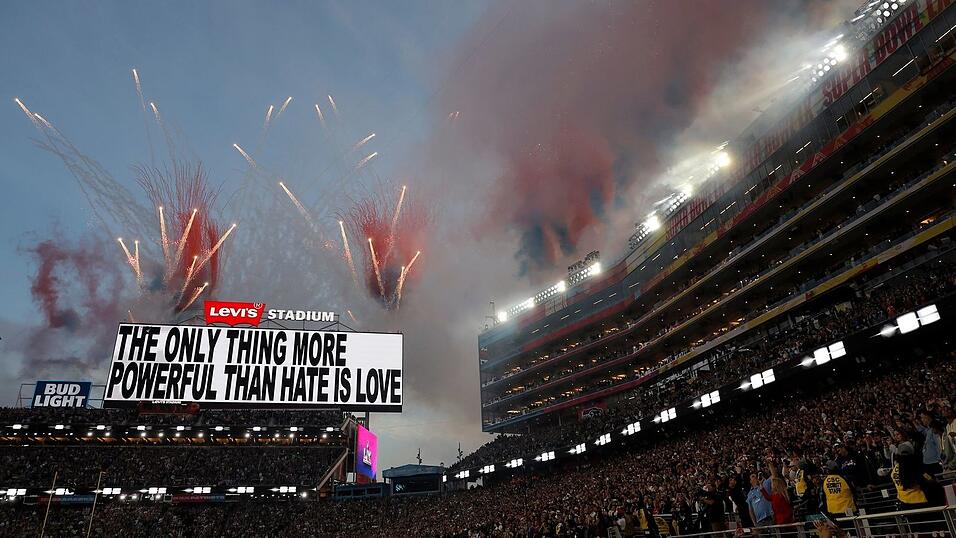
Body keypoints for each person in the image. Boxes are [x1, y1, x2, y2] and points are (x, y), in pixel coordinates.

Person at [761, 458, 794, 525]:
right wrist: (761, 488)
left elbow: (774, 475)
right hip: (780, 520)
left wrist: (770, 464)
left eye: (773, 484)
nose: (772, 486)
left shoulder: (782, 494)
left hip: (786, 519)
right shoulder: (775, 495)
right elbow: (768, 497)